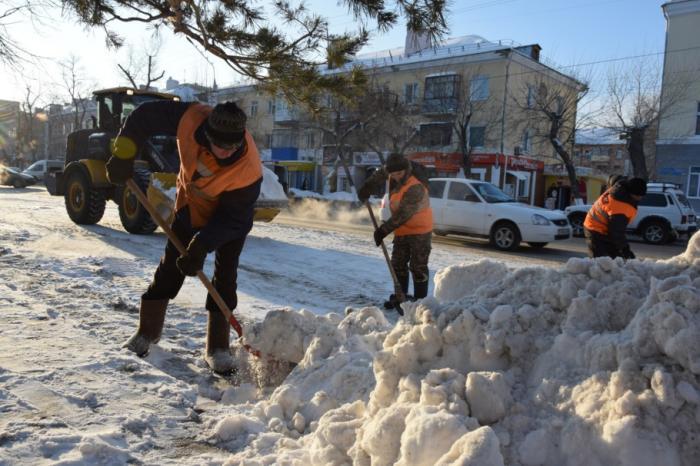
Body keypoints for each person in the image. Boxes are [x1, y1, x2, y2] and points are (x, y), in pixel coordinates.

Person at [106, 100, 262, 373]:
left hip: (229, 218)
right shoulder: (190, 118)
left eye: (232, 147)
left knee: (226, 275)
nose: (226, 152)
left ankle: (218, 348)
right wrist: (123, 155)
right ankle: (146, 334)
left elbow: (233, 219)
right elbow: (142, 116)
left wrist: (202, 246)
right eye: (220, 146)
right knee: (170, 267)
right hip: (190, 204)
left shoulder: (249, 170)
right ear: (208, 134)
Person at [357, 153, 432, 310]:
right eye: (393, 174)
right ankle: (401, 297)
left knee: (418, 267)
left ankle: (421, 304)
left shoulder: (416, 186)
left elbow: (403, 214)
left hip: (420, 230)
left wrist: (383, 230)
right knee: (397, 264)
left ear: (406, 169)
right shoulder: (392, 171)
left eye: (399, 174)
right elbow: (379, 175)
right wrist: (366, 188)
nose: (396, 177)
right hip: (402, 230)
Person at [583, 177, 647, 260]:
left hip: (604, 227)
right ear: (631, 193)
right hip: (594, 229)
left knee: (615, 257)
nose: (640, 198)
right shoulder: (620, 207)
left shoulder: (619, 189)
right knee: (600, 262)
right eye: (638, 195)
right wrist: (625, 249)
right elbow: (616, 232)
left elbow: (613, 178)